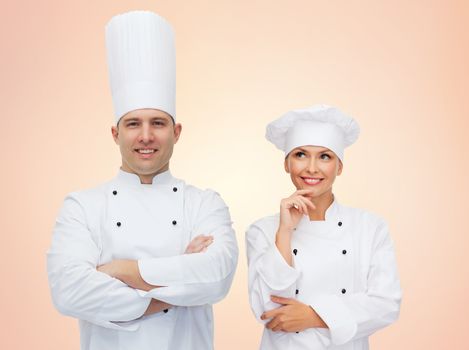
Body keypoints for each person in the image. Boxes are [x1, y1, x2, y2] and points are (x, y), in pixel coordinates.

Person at [47, 11, 238, 350]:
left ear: (176, 132)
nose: (146, 136)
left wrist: (120, 269)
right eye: (133, 123)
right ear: (115, 133)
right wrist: (175, 287)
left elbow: (217, 277)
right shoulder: (83, 205)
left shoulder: (205, 203)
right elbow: (68, 290)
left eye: (158, 123)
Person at [246, 105, 401, 349]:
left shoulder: (370, 227)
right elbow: (268, 310)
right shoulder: (263, 230)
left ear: (339, 166)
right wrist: (284, 232)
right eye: (300, 155)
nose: (312, 168)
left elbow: (386, 303)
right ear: (286, 163)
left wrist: (314, 316)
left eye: (325, 156)